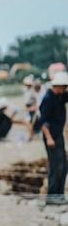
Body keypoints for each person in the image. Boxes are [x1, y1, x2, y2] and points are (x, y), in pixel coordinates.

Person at [38, 71, 68, 205]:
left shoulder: (59, 96)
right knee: (56, 167)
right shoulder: (48, 99)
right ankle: (52, 197)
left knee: (63, 166)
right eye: (64, 87)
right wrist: (49, 138)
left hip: (58, 135)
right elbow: (43, 122)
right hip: (51, 137)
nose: (65, 89)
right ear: (57, 86)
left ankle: (59, 195)